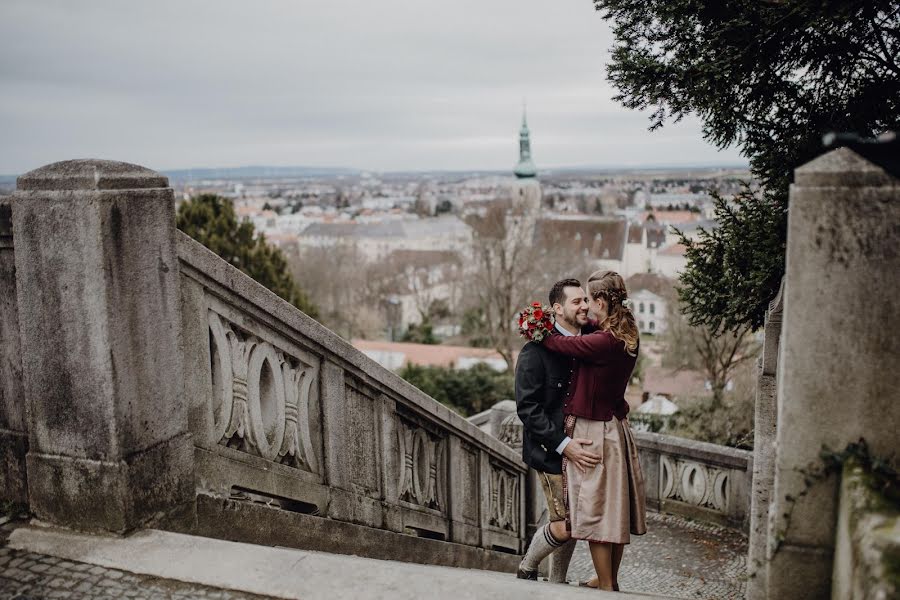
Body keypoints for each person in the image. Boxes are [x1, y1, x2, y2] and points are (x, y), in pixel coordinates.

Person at [541, 270, 647, 592]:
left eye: (588, 299)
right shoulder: (626, 333)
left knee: (597, 512)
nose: (585, 305)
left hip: (594, 430)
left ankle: (606, 586)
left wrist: (538, 324)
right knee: (614, 511)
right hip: (614, 427)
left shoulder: (602, 342)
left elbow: (558, 343)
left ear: (601, 301)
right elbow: (588, 329)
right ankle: (607, 578)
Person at [514, 278, 602, 584]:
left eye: (585, 300)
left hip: (585, 446)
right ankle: (527, 565)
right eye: (576, 301)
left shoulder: (591, 341)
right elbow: (527, 409)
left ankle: (557, 584)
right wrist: (564, 444)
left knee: (572, 519)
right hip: (551, 450)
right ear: (557, 308)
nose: (584, 306)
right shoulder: (534, 352)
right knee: (566, 521)